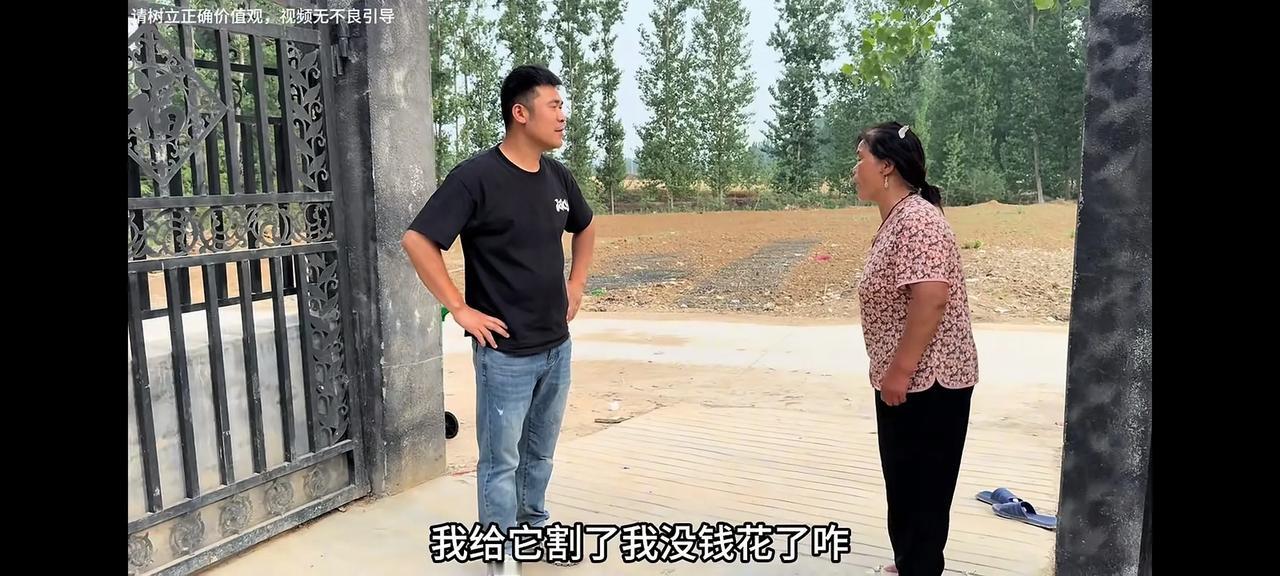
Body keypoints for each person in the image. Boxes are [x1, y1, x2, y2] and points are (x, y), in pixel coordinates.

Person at [402, 65, 595, 575]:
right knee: (501, 461)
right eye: (554, 106)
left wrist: (576, 284)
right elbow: (418, 240)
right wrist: (459, 307)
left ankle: (534, 529)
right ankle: (499, 551)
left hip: (556, 345)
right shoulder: (476, 178)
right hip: (505, 353)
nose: (563, 116)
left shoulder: (558, 177)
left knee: (540, 453)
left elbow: (586, 226)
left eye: (562, 106)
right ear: (520, 113)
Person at [852, 121, 979, 576]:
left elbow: (931, 297)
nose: (854, 170)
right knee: (906, 484)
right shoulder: (900, 219)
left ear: (886, 167)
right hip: (910, 381)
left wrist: (900, 372)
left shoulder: (918, 221)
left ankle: (919, 567)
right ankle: (911, 564)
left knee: (923, 491)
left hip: (929, 382)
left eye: (861, 159)